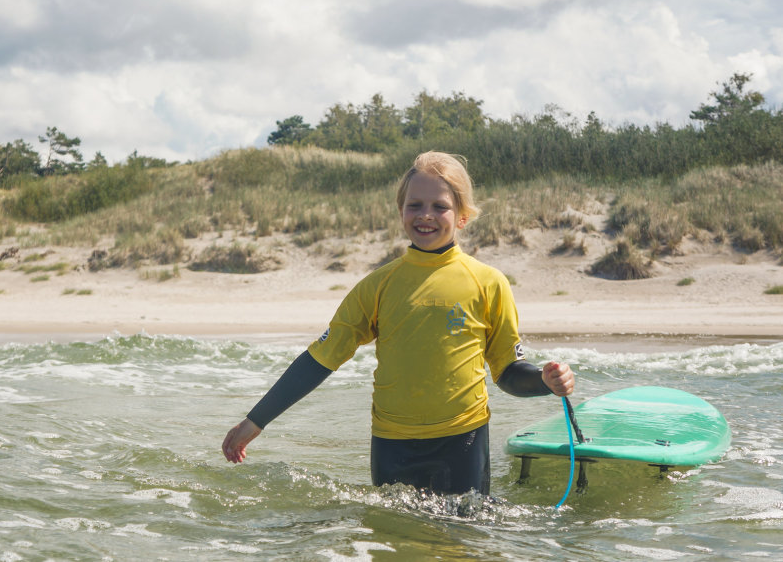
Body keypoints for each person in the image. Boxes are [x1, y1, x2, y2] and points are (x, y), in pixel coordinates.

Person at [222, 151, 575, 497]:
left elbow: (507, 371)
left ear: (463, 216)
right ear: (401, 211)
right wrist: (256, 421)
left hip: (462, 441)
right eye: (414, 205)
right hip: (392, 445)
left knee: (462, 547)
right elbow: (320, 359)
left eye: (440, 206)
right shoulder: (378, 286)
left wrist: (544, 381)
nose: (426, 215)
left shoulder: (488, 282)